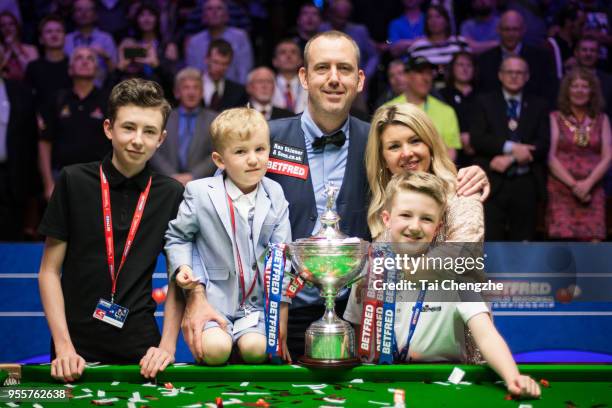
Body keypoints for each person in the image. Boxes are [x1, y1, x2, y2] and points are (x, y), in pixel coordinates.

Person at [344, 171, 541, 399]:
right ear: (387, 219)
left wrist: (512, 376)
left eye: (426, 219)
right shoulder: (369, 269)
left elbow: (486, 334)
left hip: (448, 385)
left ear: (437, 228)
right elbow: (357, 332)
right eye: (406, 215)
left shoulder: (456, 273)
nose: (415, 226)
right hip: (379, 383)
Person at [38, 78, 184, 381]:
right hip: (74, 351)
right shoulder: (73, 181)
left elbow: (178, 278)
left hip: (142, 349)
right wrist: (64, 346)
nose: (137, 140)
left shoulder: (171, 194)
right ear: (108, 128)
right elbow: (49, 272)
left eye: (149, 131)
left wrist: (167, 346)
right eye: (128, 127)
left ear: (161, 138)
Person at [164, 107, 292, 364]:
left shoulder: (275, 193)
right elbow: (178, 237)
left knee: (257, 350)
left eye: (260, 149)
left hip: (255, 308)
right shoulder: (199, 192)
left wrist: (281, 331)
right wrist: (183, 268)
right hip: (213, 302)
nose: (254, 160)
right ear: (219, 160)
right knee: (216, 351)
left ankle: (247, 342)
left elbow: (283, 259)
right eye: (241, 152)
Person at [471, 56, 550, 241]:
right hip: (492, 181)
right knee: (491, 242)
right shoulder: (484, 101)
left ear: (527, 76)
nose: (514, 76)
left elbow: (543, 144)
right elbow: (478, 139)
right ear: (500, 75)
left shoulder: (540, 105)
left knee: (523, 242)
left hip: (526, 183)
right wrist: (512, 148)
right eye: (509, 72)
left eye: (519, 72)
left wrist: (511, 158)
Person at [38, 46, 110, 202]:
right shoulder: (57, 99)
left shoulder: (108, 101)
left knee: (96, 226)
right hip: (62, 177)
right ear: (70, 69)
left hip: (100, 180)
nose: (84, 61)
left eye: (90, 58)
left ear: (97, 70)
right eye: (79, 58)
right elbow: (44, 142)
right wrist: (48, 183)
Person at [547, 68, 611, 241]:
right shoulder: (555, 117)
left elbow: (608, 156)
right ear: (567, 90)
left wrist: (587, 184)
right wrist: (575, 185)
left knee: (593, 247)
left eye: (585, 86)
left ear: (592, 91)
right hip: (562, 189)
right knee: (564, 251)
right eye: (575, 86)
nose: (579, 90)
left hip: (593, 190)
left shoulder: (602, 119)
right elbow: (551, 157)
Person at [385, 56, 461, 162]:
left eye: (429, 73)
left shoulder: (447, 111)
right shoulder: (389, 110)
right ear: (407, 76)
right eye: (420, 72)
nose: (426, 78)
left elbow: (451, 151)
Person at [477, 10, 558, 109]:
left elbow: (550, 93)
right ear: (498, 30)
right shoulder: (484, 60)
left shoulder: (542, 59)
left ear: (523, 30)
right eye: (506, 29)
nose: (511, 34)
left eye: (515, 29)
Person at [150, 67, 218, 185]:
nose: (191, 92)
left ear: (202, 93)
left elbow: (218, 152)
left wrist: (193, 176)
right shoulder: (162, 118)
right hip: (166, 183)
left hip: (202, 185)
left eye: (196, 88)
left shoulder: (215, 120)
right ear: (177, 92)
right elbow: (153, 149)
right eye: (186, 87)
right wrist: (172, 176)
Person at [185, 0, 253, 84]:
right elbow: (192, 73)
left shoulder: (240, 37)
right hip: (202, 91)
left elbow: (244, 71)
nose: (214, 12)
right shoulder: (194, 42)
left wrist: (240, 93)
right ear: (203, 17)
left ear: (227, 16)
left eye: (219, 8)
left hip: (235, 90)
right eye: (209, 9)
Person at [408, 5, 470, 87]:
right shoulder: (417, 47)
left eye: (438, 16)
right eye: (430, 17)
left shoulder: (460, 43)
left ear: (447, 21)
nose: (434, 21)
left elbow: (469, 69)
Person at [319, 0, 379, 80]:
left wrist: (366, 76)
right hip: (327, 77)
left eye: (345, 18)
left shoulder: (360, 31)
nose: (341, 21)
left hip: (355, 79)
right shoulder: (321, 30)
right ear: (330, 14)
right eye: (338, 17)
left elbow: (373, 56)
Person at [64, 0, 117, 87]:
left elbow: (115, 71)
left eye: (88, 9)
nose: (84, 13)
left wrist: (106, 57)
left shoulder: (106, 38)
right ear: (73, 14)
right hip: (71, 90)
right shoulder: (66, 39)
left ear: (96, 14)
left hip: (101, 90)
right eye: (79, 10)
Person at [25, 15, 71, 110]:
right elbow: (28, 98)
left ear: (65, 37)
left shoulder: (73, 65)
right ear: (41, 39)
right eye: (49, 31)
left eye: (58, 31)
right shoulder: (33, 67)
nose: (54, 35)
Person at [440, 52, 478, 165]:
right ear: (452, 68)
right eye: (460, 65)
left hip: (479, 150)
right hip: (451, 149)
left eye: (469, 65)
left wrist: (474, 139)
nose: (465, 69)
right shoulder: (442, 95)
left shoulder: (483, 95)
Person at [202, 39, 248, 112]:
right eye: (216, 62)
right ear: (206, 59)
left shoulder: (238, 92)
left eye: (224, 64)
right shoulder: (193, 86)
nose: (219, 68)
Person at [271, 39, 308, 114]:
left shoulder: (310, 86)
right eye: (283, 52)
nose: (288, 56)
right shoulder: (267, 85)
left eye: (293, 52)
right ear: (274, 61)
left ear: (300, 61)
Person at [0, 10, 38, 81]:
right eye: (3, 25)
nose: (7, 28)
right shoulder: (0, 51)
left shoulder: (31, 49)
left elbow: (33, 73)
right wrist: (8, 52)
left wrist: (15, 49)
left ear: (17, 26)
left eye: (11, 24)